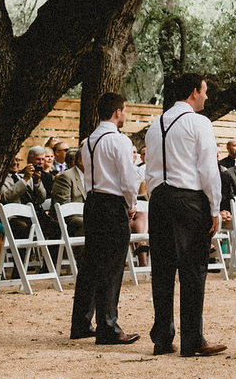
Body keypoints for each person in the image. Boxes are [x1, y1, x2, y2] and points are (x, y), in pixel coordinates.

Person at [143, 72, 227, 358]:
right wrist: (215, 207)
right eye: (204, 91)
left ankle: (162, 338)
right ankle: (193, 339)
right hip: (188, 199)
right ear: (193, 92)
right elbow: (208, 169)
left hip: (159, 200)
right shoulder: (198, 122)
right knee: (193, 269)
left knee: (163, 270)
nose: (206, 97)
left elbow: (149, 168)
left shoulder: (155, 125)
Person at [71, 92, 143, 345]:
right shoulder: (119, 140)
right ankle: (108, 327)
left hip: (92, 203)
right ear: (117, 112)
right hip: (112, 204)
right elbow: (128, 178)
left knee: (91, 264)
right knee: (112, 267)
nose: (124, 115)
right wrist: (131, 204)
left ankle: (80, 323)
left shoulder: (88, 141)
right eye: (123, 110)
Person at [52, 148, 88, 237]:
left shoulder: (93, 177)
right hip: (68, 219)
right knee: (89, 224)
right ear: (80, 161)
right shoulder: (66, 177)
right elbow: (63, 206)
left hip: (86, 217)